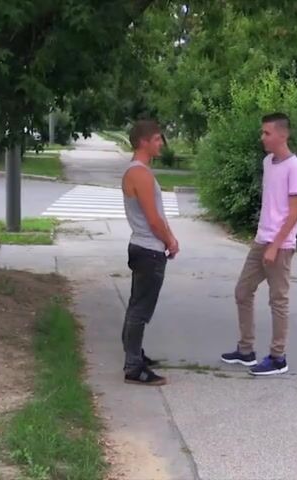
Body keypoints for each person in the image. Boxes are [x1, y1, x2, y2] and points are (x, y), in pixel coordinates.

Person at [221, 112, 297, 376]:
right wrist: (262, 239)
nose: (263, 137)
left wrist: (275, 245)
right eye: (263, 132)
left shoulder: (295, 167)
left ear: (283, 135)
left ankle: (278, 357)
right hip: (262, 240)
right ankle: (246, 350)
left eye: (267, 133)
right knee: (242, 291)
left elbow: (294, 212)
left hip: (280, 244)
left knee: (278, 300)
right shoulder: (268, 162)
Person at [121, 120, 180, 386]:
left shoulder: (140, 171)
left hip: (145, 247)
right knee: (140, 311)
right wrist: (169, 241)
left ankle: (134, 354)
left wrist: (170, 237)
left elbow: (158, 215)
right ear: (143, 141)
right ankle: (133, 366)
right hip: (148, 249)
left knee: (137, 305)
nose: (161, 144)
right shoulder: (139, 173)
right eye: (157, 139)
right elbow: (153, 219)